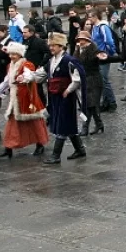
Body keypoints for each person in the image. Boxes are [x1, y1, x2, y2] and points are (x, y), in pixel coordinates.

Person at [21, 32, 87, 163]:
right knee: (67, 123)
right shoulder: (51, 61)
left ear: (61, 46)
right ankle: (80, 149)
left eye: (54, 46)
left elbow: (78, 78)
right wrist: (27, 77)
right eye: (50, 45)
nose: (51, 48)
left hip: (65, 97)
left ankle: (56, 155)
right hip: (54, 96)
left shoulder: (69, 60)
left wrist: (68, 90)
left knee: (63, 122)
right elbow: (41, 74)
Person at [0, 42, 49, 158]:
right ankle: (8, 147)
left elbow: (30, 76)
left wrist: (23, 78)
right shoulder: (10, 65)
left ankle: (40, 144)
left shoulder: (27, 65)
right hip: (15, 99)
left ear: (20, 54)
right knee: (12, 123)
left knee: (35, 122)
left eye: (14, 54)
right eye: (10, 54)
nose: (11, 56)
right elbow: (7, 80)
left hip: (28, 99)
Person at [88, 10, 118, 113]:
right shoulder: (94, 28)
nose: (89, 19)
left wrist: (109, 53)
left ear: (96, 16)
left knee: (104, 79)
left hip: (104, 56)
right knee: (101, 80)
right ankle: (106, 102)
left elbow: (109, 41)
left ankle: (112, 102)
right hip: (97, 57)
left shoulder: (102, 27)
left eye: (90, 17)